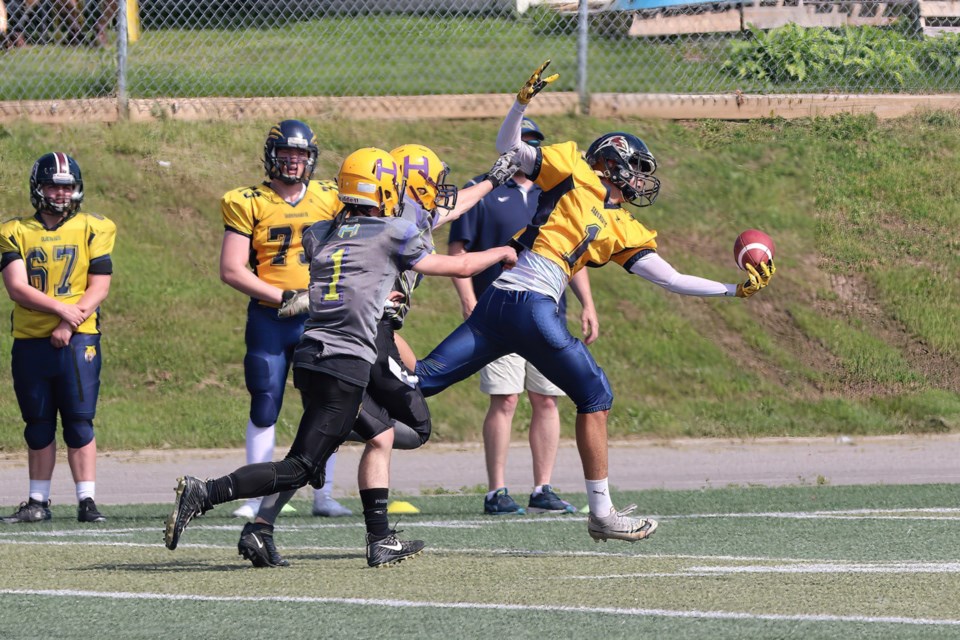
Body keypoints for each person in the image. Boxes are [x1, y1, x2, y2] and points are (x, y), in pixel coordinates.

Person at [415, 60, 776, 543]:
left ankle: (337, 417)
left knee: (423, 381)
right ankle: (602, 514)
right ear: (613, 161)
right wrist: (520, 105)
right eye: (638, 170)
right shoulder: (574, 171)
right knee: (595, 395)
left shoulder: (623, 225)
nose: (641, 181)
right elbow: (509, 148)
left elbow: (669, 278)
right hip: (531, 301)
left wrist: (734, 290)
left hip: (500, 302)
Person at [165, 146, 520, 567]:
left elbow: (436, 213)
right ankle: (207, 492)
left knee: (362, 439)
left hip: (312, 352)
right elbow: (452, 264)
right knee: (312, 461)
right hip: (351, 353)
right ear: (394, 186)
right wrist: (502, 252)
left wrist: (492, 179)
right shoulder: (396, 230)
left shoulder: (322, 232)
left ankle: (349, 535)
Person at [447, 118, 598, 516]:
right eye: (521, 143)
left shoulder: (559, 192)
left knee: (547, 400)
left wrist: (587, 303)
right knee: (506, 399)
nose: (526, 151)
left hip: (549, 312)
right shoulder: (484, 188)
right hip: (499, 310)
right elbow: (459, 250)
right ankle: (496, 490)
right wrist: (468, 298)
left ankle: (542, 487)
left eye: (533, 144)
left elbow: (575, 252)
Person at [219, 119, 353, 520]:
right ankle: (257, 496)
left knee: (327, 404)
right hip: (271, 319)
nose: (293, 162)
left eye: (300, 155)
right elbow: (231, 269)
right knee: (265, 402)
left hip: (321, 320)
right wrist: (286, 298)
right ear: (271, 156)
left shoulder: (331, 197)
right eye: (286, 154)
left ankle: (324, 495)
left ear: (311, 159)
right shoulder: (248, 201)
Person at [0, 152, 116, 524]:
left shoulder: (95, 227)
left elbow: (99, 286)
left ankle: (87, 501)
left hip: (79, 338)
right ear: (38, 188)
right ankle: (38, 500)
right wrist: (62, 311)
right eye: (54, 185)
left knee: (80, 421)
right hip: (32, 339)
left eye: (67, 187)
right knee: (37, 422)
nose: (61, 193)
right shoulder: (13, 231)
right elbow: (17, 288)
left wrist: (70, 321)